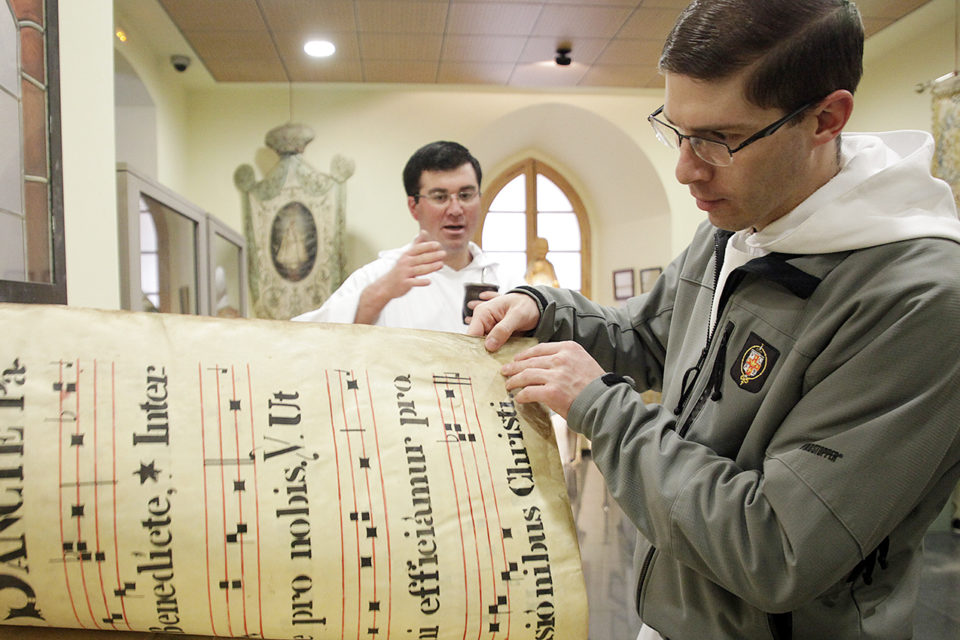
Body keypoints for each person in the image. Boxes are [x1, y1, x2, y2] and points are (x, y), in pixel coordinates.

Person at [468, 1, 960, 638]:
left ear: (825, 119)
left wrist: (602, 408)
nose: (684, 169)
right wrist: (548, 309)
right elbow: (647, 337)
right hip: (678, 608)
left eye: (719, 139)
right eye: (676, 130)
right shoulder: (738, 224)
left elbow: (779, 548)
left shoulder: (917, 299)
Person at [294, 141, 523, 333]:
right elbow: (307, 337)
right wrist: (383, 292)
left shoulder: (508, 282)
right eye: (440, 197)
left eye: (465, 195)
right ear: (413, 206)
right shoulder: (379, 276)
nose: (455, 209)